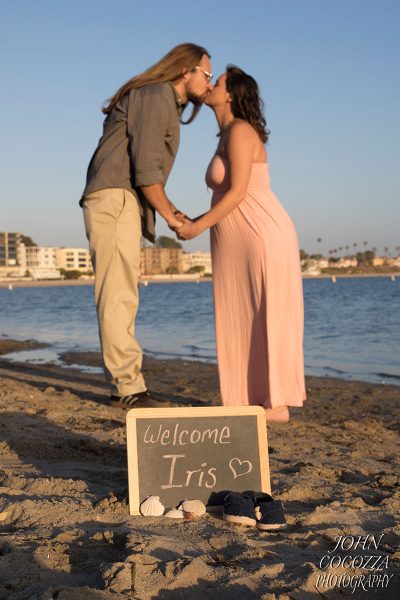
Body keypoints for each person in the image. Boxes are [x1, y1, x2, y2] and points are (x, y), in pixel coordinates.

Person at [81, 43, 212, 408]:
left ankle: (122, 384)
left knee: (122, 293)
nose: (210, 82)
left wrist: (170, 210)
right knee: (118, 294)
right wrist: (172, 217)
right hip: (115, 198)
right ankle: (128, 389)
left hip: (118, 199)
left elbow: (146, 172)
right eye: (207, 74)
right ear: (185, 70)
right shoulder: (156, 95)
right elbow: (147, 170)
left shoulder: (160, 99)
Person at [177, 66, 306, 422]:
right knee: (239, 315)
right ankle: (246, 401)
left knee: (266, 312)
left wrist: (197, 227)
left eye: (216, 82)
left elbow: (236, 192)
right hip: (235, 238)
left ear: (231, 94)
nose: (210, 84)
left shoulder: (240, 131)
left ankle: (275, 404)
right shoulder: (225, 134)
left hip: (260, 234)